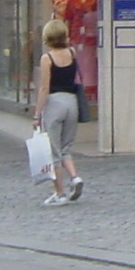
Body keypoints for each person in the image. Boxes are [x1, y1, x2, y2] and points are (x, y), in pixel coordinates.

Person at [32, 20, 85, 206]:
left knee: (53, 150)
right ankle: (75, 177)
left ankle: (59, 193)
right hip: (72, 101)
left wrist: (37, 114)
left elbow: (44, 89)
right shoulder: (72, 53)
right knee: (66, 147)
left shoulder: (47, 58)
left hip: (54, 103)